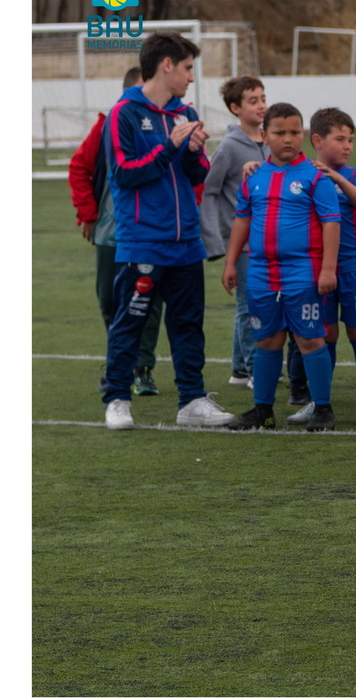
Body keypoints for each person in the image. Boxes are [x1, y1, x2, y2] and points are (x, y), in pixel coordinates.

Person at [101, 32, 234, 431]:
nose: (191, 77)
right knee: (131, 322)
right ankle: (118, 399)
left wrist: (192, 153)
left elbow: (197, 174)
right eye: (188, 68)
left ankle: (192, 399)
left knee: (188, 324)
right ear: (167, 65)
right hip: (143, 240)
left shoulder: (185, 112)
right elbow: (123, 174)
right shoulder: (123, 114)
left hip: (185, 241)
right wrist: (168, 148)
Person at [222, 103, 341, 432]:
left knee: (309, 340)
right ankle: (263, 410)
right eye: (279, 132)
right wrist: (231, 263)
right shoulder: (254, 177)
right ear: (264, 135)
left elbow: (331, 223)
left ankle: (323, 409)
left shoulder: (315, 176)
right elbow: (242, 221)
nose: (288, 139)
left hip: (303, 272)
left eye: (294, 132)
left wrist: (328, 269)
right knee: (267, 341)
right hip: (261, 273)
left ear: (303, 134)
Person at [69, 66, 164, 396]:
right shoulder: (107, 125)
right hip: (111, 234)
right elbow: (79, 168)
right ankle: (119, 363)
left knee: (148, 300)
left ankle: (143, 368)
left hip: (150, 233)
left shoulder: (165, 125)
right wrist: (88, 214)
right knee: (109, 301)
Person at [283, 107, 356, 427]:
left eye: (350, 139)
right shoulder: (304, 174)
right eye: (340, 139)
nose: (348, 146)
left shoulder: (354, 175)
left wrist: (337, 177)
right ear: (317, 140)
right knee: (324, 336)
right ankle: (319, 401)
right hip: (316, 270)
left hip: (352, 268)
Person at [200, 75, 269, 389]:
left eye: (263, 98)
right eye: (253, 101)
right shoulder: (228, 147)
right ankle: (256, 369)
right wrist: (215, 240)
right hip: (239, 241)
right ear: (235, 108)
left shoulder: (269, 141)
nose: (261, 105)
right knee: (249, 304)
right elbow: (210, 191)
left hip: (265, 240)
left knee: (252, 301)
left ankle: (239, 370)